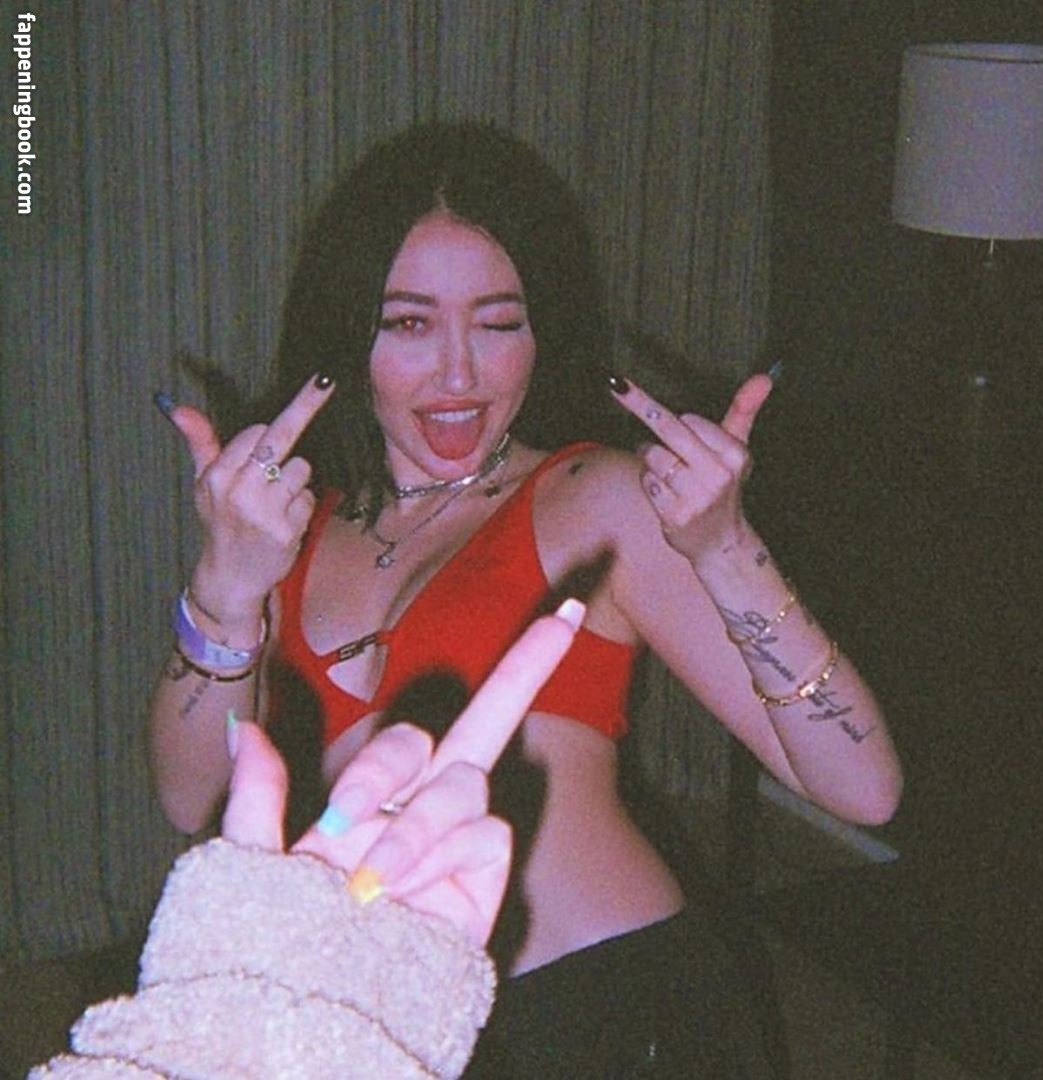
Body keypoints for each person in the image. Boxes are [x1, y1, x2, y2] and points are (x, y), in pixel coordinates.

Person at [149, 122, 902, 1075]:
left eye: (499, 323)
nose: (459, 374)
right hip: (399, 1030)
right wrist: (224, 586)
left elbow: (863, 788)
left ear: (543, 333)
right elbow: (191, 797)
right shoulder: (284, 527)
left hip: (614, 1019)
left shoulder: (592, 497)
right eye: (409, 323)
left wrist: (725, 547)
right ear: (347, 334)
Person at [33, 605, 582, 1078]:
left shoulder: (591, 510)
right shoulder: (289, 536)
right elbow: (186, 799)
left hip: (581, 982)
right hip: (383, 925)